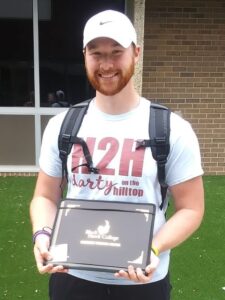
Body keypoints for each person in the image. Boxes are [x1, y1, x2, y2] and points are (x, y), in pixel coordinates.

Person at [30, 9, 204, 300]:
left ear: (136, 53)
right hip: (72, 276)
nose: (106, 64)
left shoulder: (172, 129)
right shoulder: (62, 126)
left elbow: (191, 208)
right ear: (84, 55)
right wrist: (42, 235)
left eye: (116, 52)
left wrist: (153, 248)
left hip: (143, 282)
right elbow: (45, 196)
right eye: (96, 53)